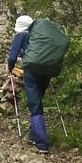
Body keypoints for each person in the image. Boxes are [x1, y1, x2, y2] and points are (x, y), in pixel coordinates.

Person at [7, 14, 50, 153]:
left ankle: (42, 144)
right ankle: (33, 135)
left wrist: (10, 68)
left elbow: (12, 57)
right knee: (37, 102)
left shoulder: (21, 36)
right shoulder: (40, 35)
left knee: (35, 106)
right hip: (47, 70)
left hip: (31, 71)